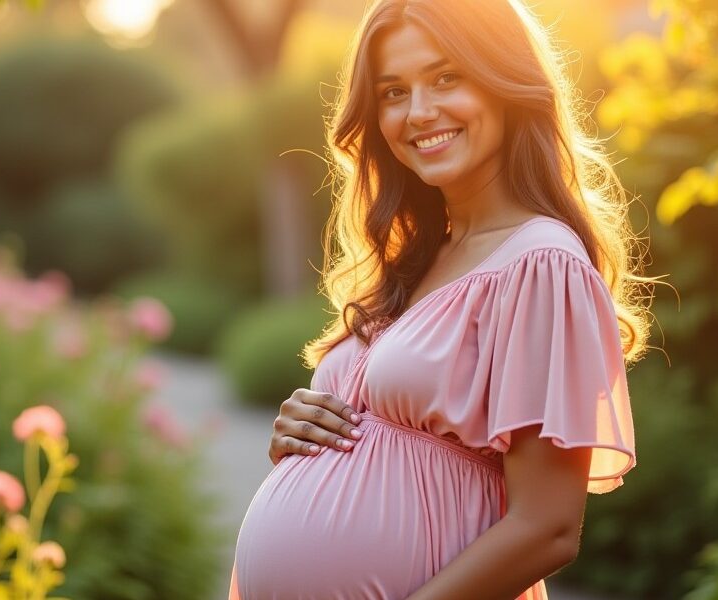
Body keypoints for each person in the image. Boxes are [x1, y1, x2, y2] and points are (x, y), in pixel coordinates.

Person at [230, 0, 655, 598]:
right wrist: (299, 437)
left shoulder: (541, 262)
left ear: (506, 82)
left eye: (447, 77)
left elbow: (547, 528)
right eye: (393, 92)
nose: (419, 112)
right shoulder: (419, 257)